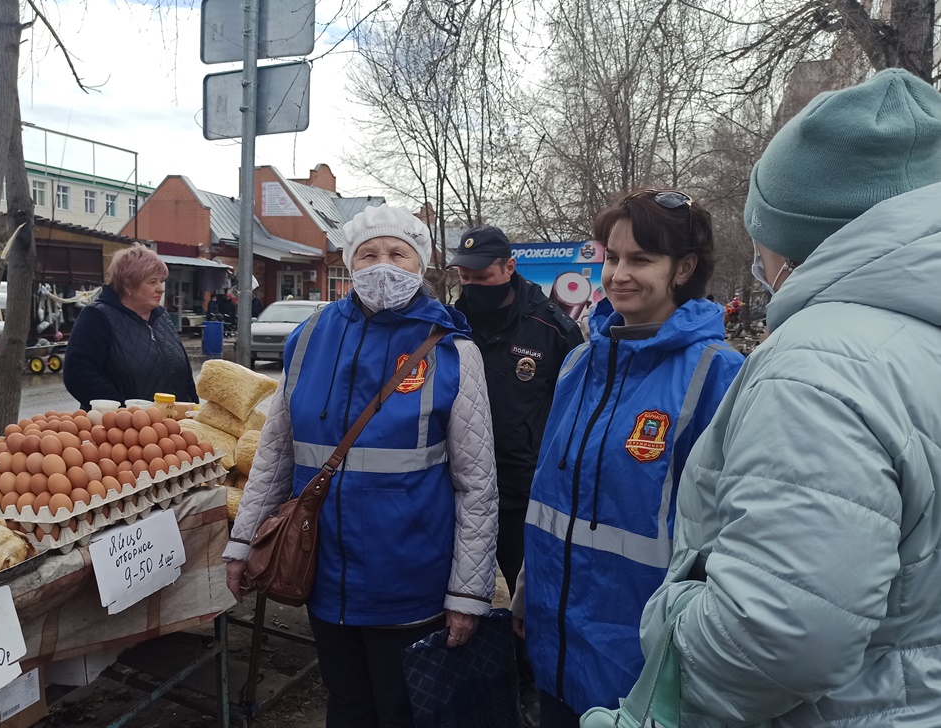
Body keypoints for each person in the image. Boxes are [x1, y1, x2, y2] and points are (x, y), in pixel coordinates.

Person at [628, 69, 941, 727]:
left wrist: (675, 623)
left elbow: (777, 640)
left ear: (792, 236)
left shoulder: (818, 370)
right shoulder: (911, 341)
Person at [223, 204, 499, 728]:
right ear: (351, 263)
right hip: (321, 571)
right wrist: (242, 544)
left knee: (402, 710)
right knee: (346, 704)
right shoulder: (308, 338)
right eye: (368, 254)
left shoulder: (454, 351)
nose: (382, 265)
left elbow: (477, 484)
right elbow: (275, 452)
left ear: (421, 264)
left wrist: (468, 591)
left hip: (411, 581)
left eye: (398, 253)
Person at [512, 190, 744, 726]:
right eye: (612, 258)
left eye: (641, 260)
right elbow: (552, 495)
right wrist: (526, 594)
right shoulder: (577, 364)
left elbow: (727, 533)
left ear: (683, 268)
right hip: (557, 642)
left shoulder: (717, 374)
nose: (618, 274)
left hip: (644, 662)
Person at [449, 225, 583, 725]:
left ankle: (533, 685)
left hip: (524, 492)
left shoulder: (553, 329)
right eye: (464, 277)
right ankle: (466, 682)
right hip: (456, 488)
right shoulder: (449, 322)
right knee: (459, 596)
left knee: (533, 606)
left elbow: (575, 415)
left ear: (509, 268)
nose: (472, 285)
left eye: (481, 275)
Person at [63, 244, 197, 409]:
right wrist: (123, 412)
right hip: (120, 429)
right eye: (152, 282)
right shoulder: (97, 317)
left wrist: (193, 410)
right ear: (128, 284)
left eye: (161, 281)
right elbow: (78, 375)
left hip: (172, 425)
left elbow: (185, 375)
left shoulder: (162, 317)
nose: (161, 289)